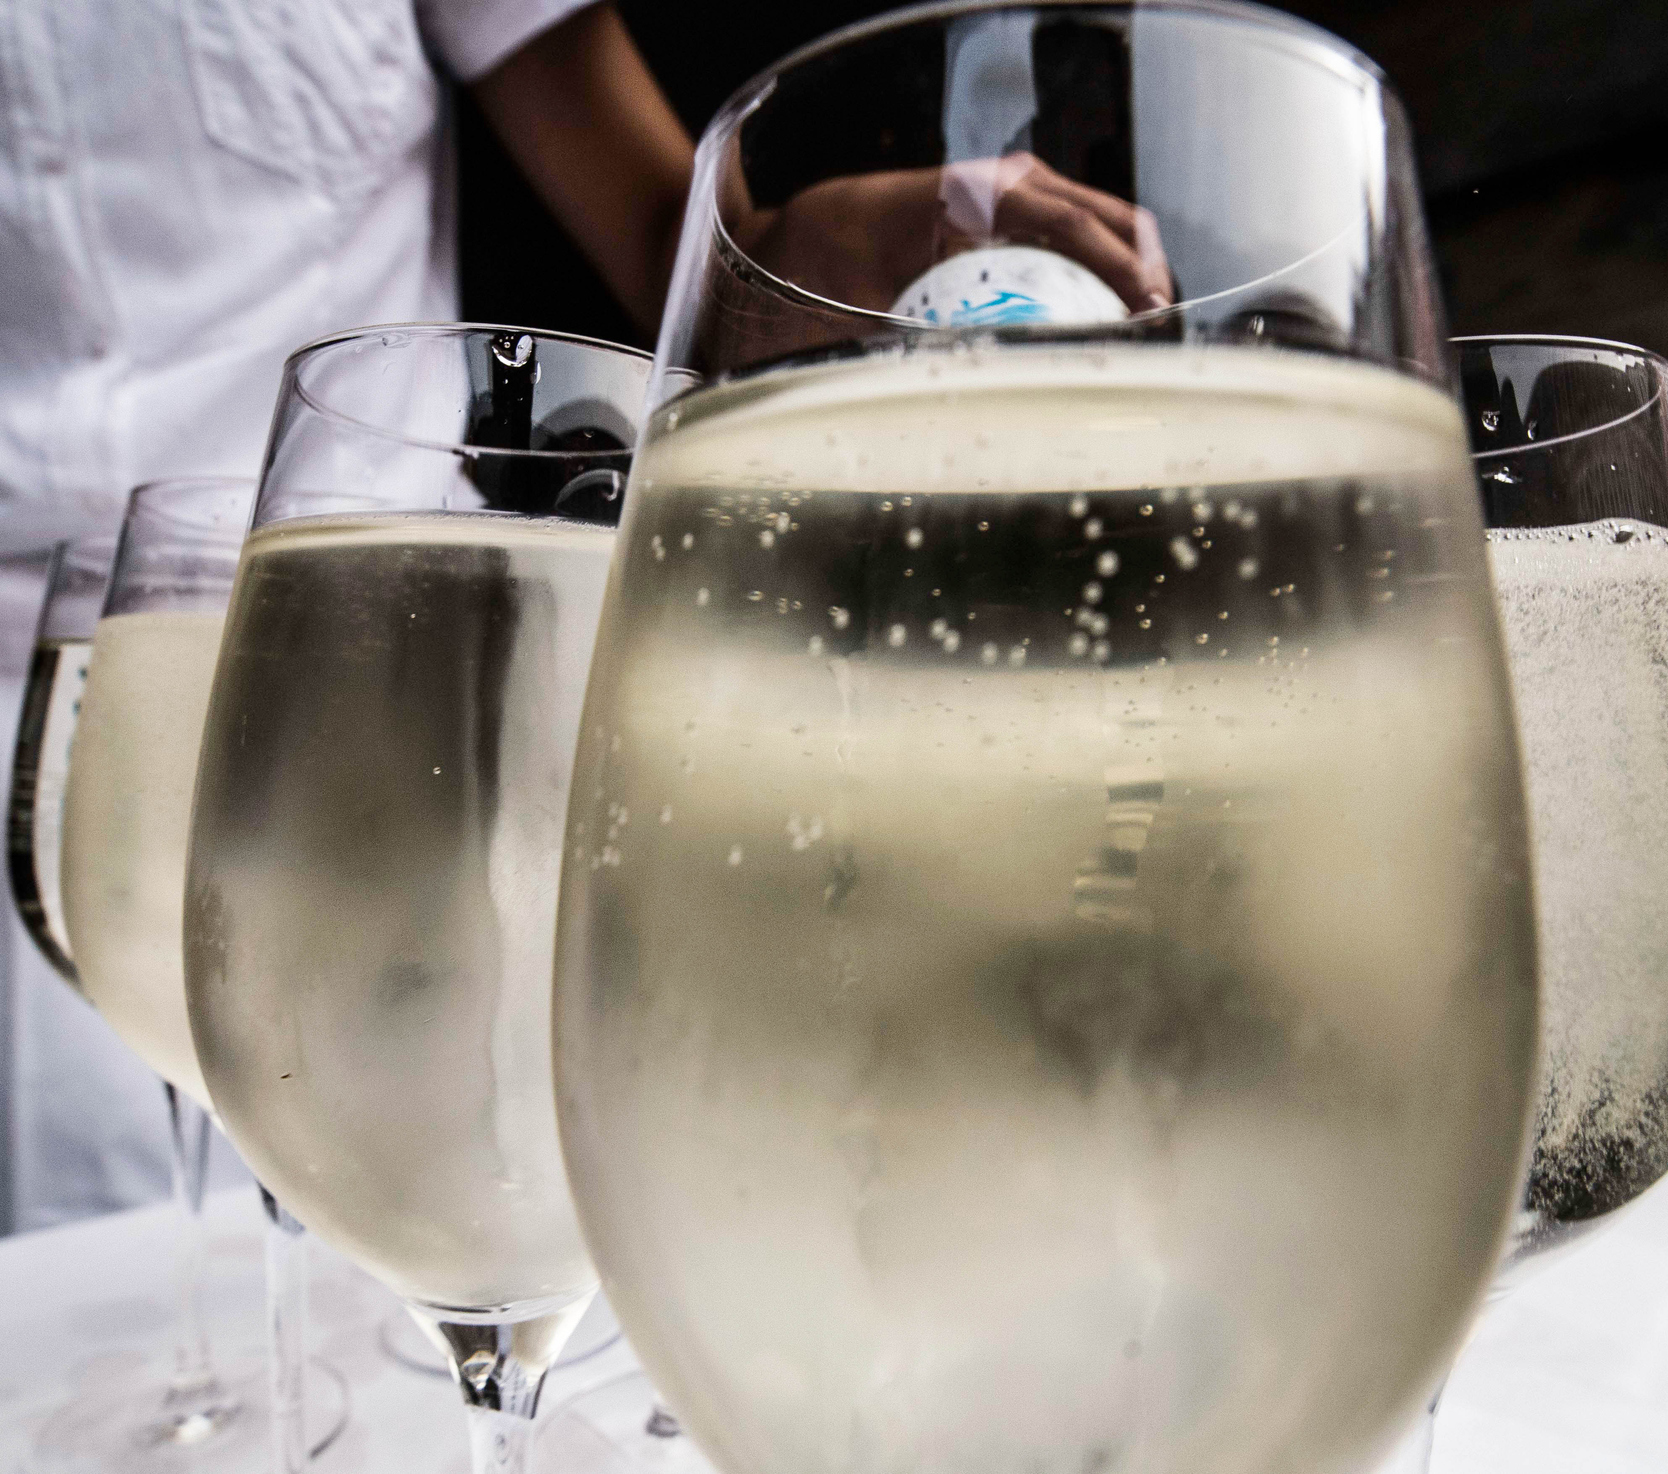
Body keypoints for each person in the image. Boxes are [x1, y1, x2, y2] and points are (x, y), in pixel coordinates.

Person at [0, 0, 1166, 1231]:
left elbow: (665, 222)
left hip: (387, 673)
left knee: (438, 1197)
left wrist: (779, 257)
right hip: (76, 685)